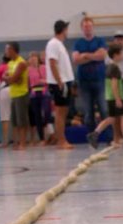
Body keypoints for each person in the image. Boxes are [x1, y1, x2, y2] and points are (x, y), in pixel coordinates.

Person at [73, 16, 109, 141]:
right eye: (85, 26)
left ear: (93, 27)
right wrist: (94, 55)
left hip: (100, 80)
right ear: (82, 28)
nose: (87, 28)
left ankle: (110, 138)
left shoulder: (100, 41)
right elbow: (76, 60)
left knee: (104, 110)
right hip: (84, 82)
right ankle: (92, 138)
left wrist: (86, 55)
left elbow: (102, 55)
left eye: (89, 26)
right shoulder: (78, 43)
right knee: (88, 113)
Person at [45, 19, 75, 150]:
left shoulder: (59, 44)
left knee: (63, 111)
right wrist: (59, 81)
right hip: (59, 83)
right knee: (60, 112)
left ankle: (62, 139)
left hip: (64, 81)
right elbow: (52, 63)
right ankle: (61, 141)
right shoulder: (53, 44)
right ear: (64, 30)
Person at [4, 42, 30, 151]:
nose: (6, 52)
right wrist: (11, 79)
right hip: (14, 94)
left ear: (13, 50)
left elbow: (12, 79)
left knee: (22, 120)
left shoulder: (21, 63)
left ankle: (23, 143)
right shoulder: (10, 63)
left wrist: (11, 79)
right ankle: (17, 142)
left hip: (21, 94)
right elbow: (7, 77)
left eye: (7, 49)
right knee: (15, 120)